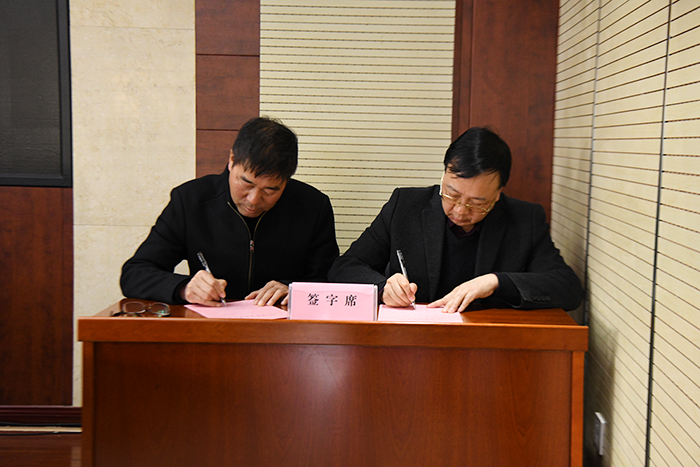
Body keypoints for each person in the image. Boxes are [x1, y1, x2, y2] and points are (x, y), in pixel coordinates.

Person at [328, 127, 583, 313]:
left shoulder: (524, 220)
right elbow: (344, 267)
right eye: (452, 194)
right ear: (443, 176)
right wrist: (383, 287)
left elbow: (569, 288)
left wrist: (496, 282)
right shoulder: (405, 206)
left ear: (498, 193)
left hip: (487, 348)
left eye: (477, 202)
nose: (460, 210)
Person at [121, 117, 339, 307]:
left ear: (287, 180)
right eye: (246, 183)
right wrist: (184, 288)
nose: (254, 199)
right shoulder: (190, 201)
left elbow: (332, 281)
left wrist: (293, 289)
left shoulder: (313, 207)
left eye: (270, 190)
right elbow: (135, 274)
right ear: (232, 160)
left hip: (286, 333)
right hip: (211, 329)